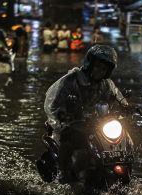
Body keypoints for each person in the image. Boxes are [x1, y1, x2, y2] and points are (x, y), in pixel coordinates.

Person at [43, 45, 130, 183]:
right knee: (68, 138)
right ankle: (65, 173)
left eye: (104, 69)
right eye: (98, 67)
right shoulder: (71, 80)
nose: (100, 72)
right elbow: (54, 104)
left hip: (96, 124)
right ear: (90, 63)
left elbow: (117, 98)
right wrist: (64, 115)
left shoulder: (106, 84)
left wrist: (127, 107)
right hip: (73, 123)